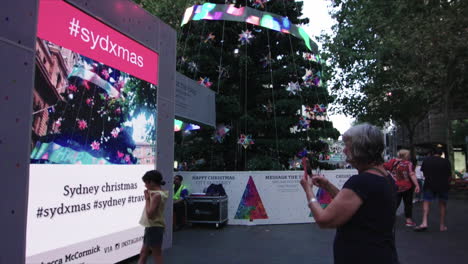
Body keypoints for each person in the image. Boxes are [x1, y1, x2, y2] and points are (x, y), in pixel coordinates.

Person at [300, 123, 399, 264]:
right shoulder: (385, 177)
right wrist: (327, 185)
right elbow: (354, 204)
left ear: (359, 149)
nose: (344, 150)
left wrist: (308, 190)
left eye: (347, 146)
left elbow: (324, 220)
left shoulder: (361, 181)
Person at [414, 148, 452, 232]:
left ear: (432, 153)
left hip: (429, 184)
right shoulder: (446, 161)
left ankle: (424, 222)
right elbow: (449, 175)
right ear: (441, 153)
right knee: (442, 204)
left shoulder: (426, 161)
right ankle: (442, 226)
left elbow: (424, 174)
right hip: (443, 185)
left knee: (426, 202)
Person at [138, 170, 168, 264]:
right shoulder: (161, 193)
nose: (145, 186)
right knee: (143, 253)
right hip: (153, 227)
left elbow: (150, 215)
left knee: (156, 254)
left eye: (146, 183)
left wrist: (147, 199)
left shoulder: (156, 195)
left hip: (154, 227)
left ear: (151, 182)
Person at [384, 149, 420, 227]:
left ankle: (388, 219)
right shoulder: (409, 164)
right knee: (408, 204)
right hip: (407, 187)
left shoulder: (393, 161)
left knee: (394, 203)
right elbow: (412, 174)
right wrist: (417, 185)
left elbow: (384, 167)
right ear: (406, 156)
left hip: (395, 186)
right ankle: (408, 221)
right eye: (408, 155)